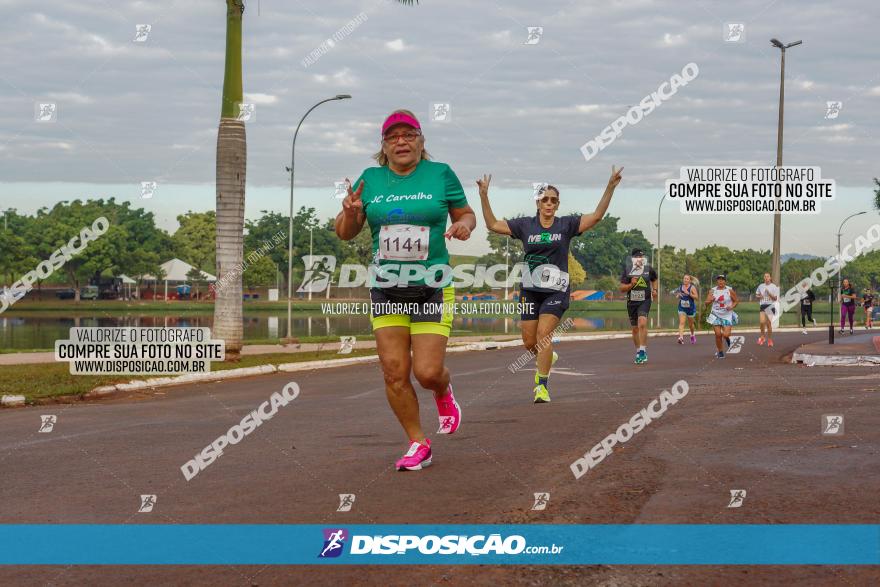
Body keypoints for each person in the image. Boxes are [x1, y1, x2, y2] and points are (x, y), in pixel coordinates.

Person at [335, 109, 476, 471]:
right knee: (394, 371)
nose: (401, 141)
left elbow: (466, 213)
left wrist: (462, 225)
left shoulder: (440, 173)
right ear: (383, 145)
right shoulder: (370, 179)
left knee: (427, 372)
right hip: (387, 288)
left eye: (409, 134)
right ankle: (418, 442)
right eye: (393, 136)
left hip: (432, 286)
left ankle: (443, 392)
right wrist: (350, 212)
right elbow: (345, 231)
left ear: (421, 141)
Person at [479, 167, 624, 402]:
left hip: (556, 290)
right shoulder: (525, 226)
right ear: (538, 202)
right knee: (529, 342)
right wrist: (484, 196)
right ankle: (548, 356)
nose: (549, 203)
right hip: (529, 289)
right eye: (544, 199)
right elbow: (493, 224)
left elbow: (596, 216)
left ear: (558, 205)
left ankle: (541, 386)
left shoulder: (565, 225)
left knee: (544, 334)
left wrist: (610, 187)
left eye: (553, 200)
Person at [619, 248, 658, 364]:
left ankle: (642, 351)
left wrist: (654, 290)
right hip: (632, 302)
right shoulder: (627, 271)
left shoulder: (648, 269)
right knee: (635, 329)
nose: (640, 259)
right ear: (633, 259)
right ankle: (638, 351)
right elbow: (621, 288)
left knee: (642, 323)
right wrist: (631, 284)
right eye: (637, 257)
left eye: (642, 257)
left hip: (644, 300)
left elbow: (654, 279)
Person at [704, 273, 739, 359]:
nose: (720, 281)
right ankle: (720, 351)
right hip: (715, 314)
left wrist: (731, 307)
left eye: (722, 279)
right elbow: (706, 302)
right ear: (717, 281)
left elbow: (736, 301)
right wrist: (710, 300)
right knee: (718, 334)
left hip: (727, 315)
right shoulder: (712, 290)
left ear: (725, 281)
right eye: (719, 279)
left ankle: (727, 338)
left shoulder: (729, 290)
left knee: (726, 334)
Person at [755, 273, 779, 347]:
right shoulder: (761, 286)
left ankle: (770, 339)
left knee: (768, 324)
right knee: (762, 322)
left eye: (767, 276)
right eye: (765, 276)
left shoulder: (774, 287)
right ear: (764, 278)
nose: (766, 278)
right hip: (763, 305)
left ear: (770, 278)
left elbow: (775, 298)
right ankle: (762, 337)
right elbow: (756, 295)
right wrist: (760, 296)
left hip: (770, 306)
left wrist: (769, 293)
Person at [675, 274, 698, 344]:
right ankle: (681, 338)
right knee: (682, 323)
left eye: (687, 279)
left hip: (690, 308)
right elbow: (677, 296)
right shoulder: (680, 287)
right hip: (682, 307)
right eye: (684, 278)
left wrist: (689, 294)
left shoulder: (692, 287)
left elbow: (696, 297)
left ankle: (692, 334)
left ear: (690, 280)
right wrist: (678, 295)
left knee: (691, 325)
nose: (685, 280)